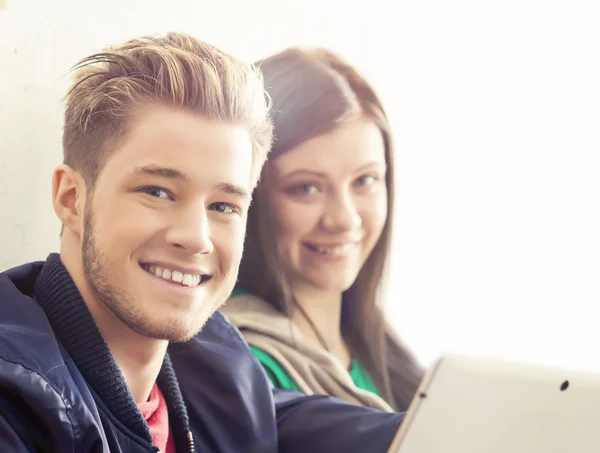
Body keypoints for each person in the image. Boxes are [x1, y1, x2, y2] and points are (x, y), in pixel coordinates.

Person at [0, 34, 406, 452]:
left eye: (223, 205)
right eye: (157, 191)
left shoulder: (220, 374)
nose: (196, 237)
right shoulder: (14, 401)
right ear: (71, 199)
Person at [222, 48, 423, 412]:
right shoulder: (235, 362)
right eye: (306, 188)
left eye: (365, 180)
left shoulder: (380, 347)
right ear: (248, 195)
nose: (344, 219)